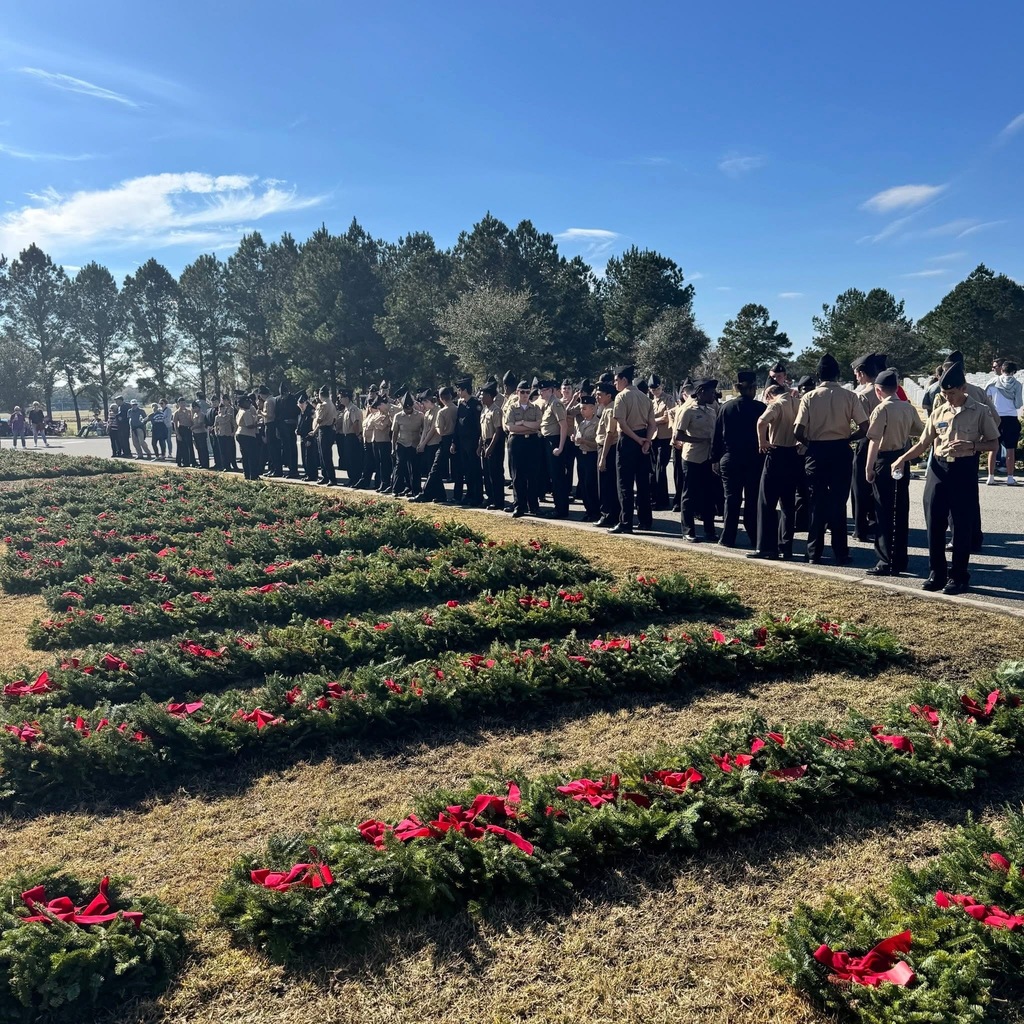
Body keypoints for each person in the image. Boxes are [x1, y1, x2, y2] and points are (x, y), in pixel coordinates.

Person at [892, 361, 999, 594]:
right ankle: (937, 573)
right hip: (938, 471)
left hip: (964, 470)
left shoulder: (979, 410)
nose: (948, 397)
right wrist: (902, 458)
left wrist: (971, 445)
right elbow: (923, 443)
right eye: (944, 393)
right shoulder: (939, 411)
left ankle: (958, 576)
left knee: (961, 525)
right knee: (934, 522)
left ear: (963, 389)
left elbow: (994, 442)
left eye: (952, 393)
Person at [794, 355, 869, 565]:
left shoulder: (809, 397)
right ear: (837, 374)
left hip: (817, 452)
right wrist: (848, 438)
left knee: (816, 503)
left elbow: (798, 431)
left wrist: (811, 443)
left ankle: (814, 553)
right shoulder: (849, 396)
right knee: (838, 503)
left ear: (818, 375)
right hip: (840, 450)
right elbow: (865, 428)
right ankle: (841, 553)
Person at [864, 368, 924, 576]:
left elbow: (874, 440)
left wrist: (868, 467)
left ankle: (885, 561)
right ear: (897, 388)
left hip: (884, 460)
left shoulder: (882, 409)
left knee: (883, 511)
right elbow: (919, 431)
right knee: (900, 509)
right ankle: (900, 558)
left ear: (878, 391)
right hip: (902, 459)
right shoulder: (907, 408)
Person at [712, 369, 765, 548]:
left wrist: (714, 459)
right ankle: (755, 536)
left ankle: (728, 537)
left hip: (730, 457)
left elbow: (717, 435)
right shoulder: (760, 408)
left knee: (732, 499)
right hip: (753, 459)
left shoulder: (726, 407)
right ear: (753, 388)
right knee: (752, 499)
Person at [750, 383, 801, 560]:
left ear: (771, 394)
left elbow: (761, 421)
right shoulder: (798, 402)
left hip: (776, 451)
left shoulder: (776, 404)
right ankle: (786, 547)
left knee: (766, 503)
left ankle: (766, 547)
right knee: (788, 505)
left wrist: (761, 442)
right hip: (793, 453)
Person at [611, 365, 656, 534]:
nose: (615, 384)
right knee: (643, 482)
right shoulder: (646, 398)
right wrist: (647, 441)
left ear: (624, 379)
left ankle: (625, 522)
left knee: (624, 484)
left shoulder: (621, 397)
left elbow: (622, 423)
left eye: (616, 380)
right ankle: (645, 520)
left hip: (629, 440)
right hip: (643, 438)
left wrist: (637, 440)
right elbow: (652, 424)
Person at [675, 378, 718, 542]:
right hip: (692, 457)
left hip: (708, 458)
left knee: (708, 495)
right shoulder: (687, 410)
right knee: (689, 495)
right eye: (711, 392)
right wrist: (700, 440)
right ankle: (688, 530)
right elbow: (679, 435)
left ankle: (710, 530)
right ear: (701, 392)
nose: (713, 395)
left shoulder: (711, 410)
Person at [850, 353, 883, 541]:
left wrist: (848, 437)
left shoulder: (862, 395)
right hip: (883, 444)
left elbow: (862, 427)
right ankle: (874, 523)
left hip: (866, 442)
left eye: (856, 373)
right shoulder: (881, 391)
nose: (856, 377)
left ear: (862, 373)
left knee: (860, 487)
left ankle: (860, 527)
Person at [503, 379, 543, 518]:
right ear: (517, 393)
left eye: (527, 392)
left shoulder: (535, 408)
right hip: (517, 442)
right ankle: (519, 506)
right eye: (522, 392)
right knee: (517, 476)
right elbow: (510, 427)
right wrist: (528, 426)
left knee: (533, 475)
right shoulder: (512, 408)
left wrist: (522, 423)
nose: (525, 395)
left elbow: (538, 425)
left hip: (532, 442)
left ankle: (534, 506)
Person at [985, 360, 1022, 485]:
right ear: (1013, 372)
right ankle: (1010, 477)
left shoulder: (993, 382)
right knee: (1010, 449)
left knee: (993, 447)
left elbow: (986, 399)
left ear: (1002, 370)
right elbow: (1018, 404)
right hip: (1011, 417)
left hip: (996, 418)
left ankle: (990, 476)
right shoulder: (1017, 384)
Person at [539, 379, 570, 518]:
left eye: (544, 390)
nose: (542, 392)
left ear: (551, 390)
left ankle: (561, 510)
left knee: (558, 477)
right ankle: (558, 507)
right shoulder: (548, 404)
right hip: (548, 441)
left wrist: (560, 447)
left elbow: (563, 426)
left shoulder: (556, 403)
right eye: (541, 390)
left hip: (555, 441)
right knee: (553, 476)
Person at [452, 377, 484, 506]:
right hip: (462, 443)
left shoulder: (475, 404)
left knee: (475, 470)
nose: (458, 392)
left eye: (459, 390)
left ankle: (477, 496)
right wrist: (454, 442)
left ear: (465, 390)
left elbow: (479, 426)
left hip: (472, 443)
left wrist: (479, 444)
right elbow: (457, 425)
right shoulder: (461, 404)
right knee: (467, 470)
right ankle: (469, 494)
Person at [595, 381, 621, 527]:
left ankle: (608, 515)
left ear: (609, 396)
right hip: (604, 447)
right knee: (606, 483)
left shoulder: (610, 410)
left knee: (606, 484)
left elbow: (609, 435)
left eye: (600, 395)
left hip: (608, 448)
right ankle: (609, 514)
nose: (597, 397)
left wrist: (603, 458)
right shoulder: (605, 408)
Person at [573, 394, 601, 520]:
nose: (581, 411)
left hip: (592, 455)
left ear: (592, 408)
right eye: (580, 408)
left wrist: (584, 441)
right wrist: (575, 439)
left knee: (591, 485)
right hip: (581, 455)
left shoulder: (597, 423)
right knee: (583, 484)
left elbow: (598, 443)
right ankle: (588, 510)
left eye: (584, 408)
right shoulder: (581, 423)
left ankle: (595, 511)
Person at [648, 375, 674, 510]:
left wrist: (652, 421)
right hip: (654, 437)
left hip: (664, 437)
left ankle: (662, 500)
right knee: (653, 469)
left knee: (661, 468)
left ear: (661, 387)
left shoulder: (668, 399)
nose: (655, 391)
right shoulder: (650, 402)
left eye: (657, 389)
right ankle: (654, 497)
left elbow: (666, 418)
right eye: (652, 389)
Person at [391, 391, 424, 496]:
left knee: (415, 468)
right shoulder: (398, 416)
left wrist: (422, 444)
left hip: (415, 444)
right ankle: (396, 489)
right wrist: (393, 448)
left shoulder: (420, 415)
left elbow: (423, 430)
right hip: (402, 443)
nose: (407, 410)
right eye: (406, 408)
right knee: (399, 467)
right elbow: (395, 433)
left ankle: (415, 490)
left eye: (409, 408)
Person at [479, 380, 505, 510]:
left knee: (495, 473)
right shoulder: (484, 410)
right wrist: (480, 445)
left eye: (483, 395)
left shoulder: (496, 410)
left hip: (494, 443)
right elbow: (482, 430)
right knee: (487, 473)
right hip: (485, 442)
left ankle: (498, 501)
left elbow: (498, 430)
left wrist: (490, 447)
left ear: (489, 396)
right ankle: (490, 498)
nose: (481, 397)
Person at [360, 395, 393, 490]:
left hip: (384, 441)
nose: (378, 408)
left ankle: (385, 482)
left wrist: (375, 423)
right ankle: (379, 483)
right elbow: (372, 424)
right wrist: (376, 423)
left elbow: (382, 426)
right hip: (375, 440)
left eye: (379, 406)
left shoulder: (387, 414)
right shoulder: (378, 414)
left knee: (384, 464)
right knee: (378, 464)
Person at [312, 386, 338, 486]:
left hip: (324, 430)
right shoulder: (331, 404)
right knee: (325, 454)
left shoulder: (323, 405)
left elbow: (319, 419)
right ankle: (326, 477)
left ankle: (330, 477)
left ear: (320, 395)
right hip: (329, 429)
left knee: (325, 456)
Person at [235, 396, 261, 480]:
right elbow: (249, 425)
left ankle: (247, 474)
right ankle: (253, 475)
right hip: (247, 435)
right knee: (252, 456)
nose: (249, 403)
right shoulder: (246, 412)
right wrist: (259, 424)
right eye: (247, 402)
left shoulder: (239, 411)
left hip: (240, 433)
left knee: (245, 456)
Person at [295, 394, 319, 481]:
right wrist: (297, 429)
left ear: (306, 403)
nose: (301, 405)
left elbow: (311, 426)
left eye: (302, 403)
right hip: (302, 437)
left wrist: (309, 439)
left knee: (310, 458)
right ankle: (307, 473)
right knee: (304, 458)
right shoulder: (301, 413)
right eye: (299, 403)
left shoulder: (310, 412)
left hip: (309, 438)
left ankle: (312, 475)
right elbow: (300, 424)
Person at [214, 402, 237, 472]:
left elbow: (235, 425)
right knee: (222, 451)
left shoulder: (229, 416)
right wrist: (216, 432)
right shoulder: (217, 417)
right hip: (221, 435)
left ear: (225, 409)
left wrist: (233, 433)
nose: (222, 409)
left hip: (228, 435)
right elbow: (215, 425)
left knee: (228, 451)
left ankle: (230, 465)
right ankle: (225, 466)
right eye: (220, 408)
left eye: (223, 408)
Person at [173, 399, 196, 467]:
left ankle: (192, 461)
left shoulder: (189, 411)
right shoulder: (176, 413)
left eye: (184, 402)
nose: (183, 404)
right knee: (182, 447)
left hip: (188, 429)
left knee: (190, 446)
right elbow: (175, 424)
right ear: (178, 404)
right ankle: (182, 461)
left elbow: (192, 421)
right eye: (181, 403)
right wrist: (178, 434)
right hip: (181, 429)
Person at [191, 400, 210, 468]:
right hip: (196, 433)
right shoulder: (194, 414)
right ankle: (201, 463)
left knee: (203, 449)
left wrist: (192, 427)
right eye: (193, 408)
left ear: (198, 407)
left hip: (201, 433)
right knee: (199, 449)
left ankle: (205, 464)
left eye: (195, 407)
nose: (194, 409)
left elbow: (200, 424)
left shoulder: (201, 414)